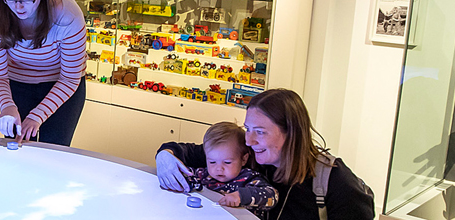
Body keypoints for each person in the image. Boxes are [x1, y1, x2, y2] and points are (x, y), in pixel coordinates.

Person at [156, 89, 373, 219]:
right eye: (248, 129)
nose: (249, 141)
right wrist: (165, 155)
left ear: (291, 133)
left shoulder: (336, 182)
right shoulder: (247, 153)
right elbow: (187, 151)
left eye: (260, 132)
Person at [0, 0, 88, 146]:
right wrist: (6, 105)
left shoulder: (68, 15)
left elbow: (69, 78)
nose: (18, 6)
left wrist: (37, 116)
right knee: (16, 146)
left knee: (54, 149)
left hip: (61, 85)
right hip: (18, 83)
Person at [158, 122, 278, 211]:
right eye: (212, 162)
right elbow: (186, 175)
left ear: (243, 159)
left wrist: (241, 196)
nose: (218, 168)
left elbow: (272, 196)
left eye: (227, 162)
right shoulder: (204, 174)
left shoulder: (249, 178)